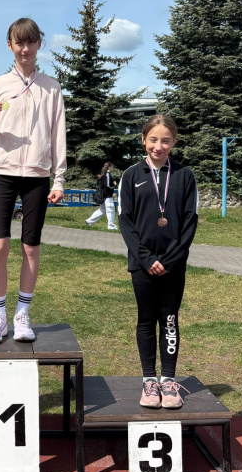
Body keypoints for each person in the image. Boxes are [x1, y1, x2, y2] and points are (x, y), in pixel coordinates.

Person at [0, 17, 67, 343]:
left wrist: (58, 179)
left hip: (37, 175)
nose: (25, 48)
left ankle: (22, 314)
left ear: (39, 44)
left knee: (30, 247)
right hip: (3, 172)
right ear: (10, 45)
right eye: (19, 42)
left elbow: (57, 134)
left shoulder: (51, 87)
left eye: (30, 42)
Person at [118, 116, 198, 409]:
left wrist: (172, 259)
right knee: (146, 319)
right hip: (142, 264)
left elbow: (190, 221)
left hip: (173, 264)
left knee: (170, 319)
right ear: (143, 140)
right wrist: (146, 258)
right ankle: (149, 381)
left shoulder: (185, 175)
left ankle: (168, 380)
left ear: (174, 141)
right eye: (153, 139)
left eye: (165, 140)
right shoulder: (131, 175)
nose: (159, 146)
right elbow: (125, 221)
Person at [84, 161, 118, 230]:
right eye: (112, 167)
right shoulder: (107, 174)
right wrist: (114, 185)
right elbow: (107, 185)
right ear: (109, 167)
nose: (113, 168)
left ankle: (89, 221)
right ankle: (111, 226)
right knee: (110, 210)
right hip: (107, 196)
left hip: (103, 195)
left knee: (102, 210)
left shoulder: (103, 174)